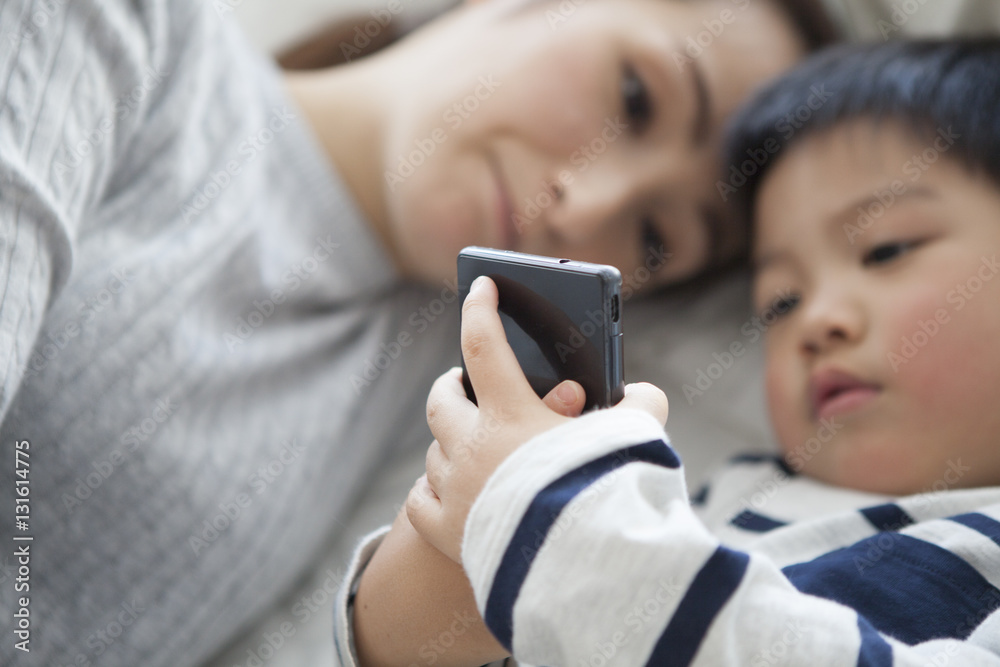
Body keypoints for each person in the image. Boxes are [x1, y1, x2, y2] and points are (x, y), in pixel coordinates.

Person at [0, 0, 837, 665]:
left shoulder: (456, 411)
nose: (586, 202)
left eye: (657, 237)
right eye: (636, 98)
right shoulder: (137, 30)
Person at [344, 39, 1000, 666]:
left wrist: (560, 526)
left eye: (886, 249)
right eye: (779, 302)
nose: (817, 320)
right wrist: (470, 534)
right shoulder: (724, 493)